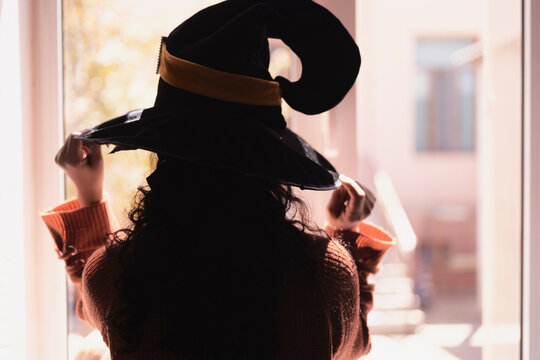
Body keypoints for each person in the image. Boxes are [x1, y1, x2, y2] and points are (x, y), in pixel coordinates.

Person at [41, 0, 394, 359]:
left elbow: (99, 307)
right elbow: (353, 343)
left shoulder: (116, 275)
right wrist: (342, 232)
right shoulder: (323, 277)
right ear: (269, 160)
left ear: (165, 151)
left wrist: (89, 197)